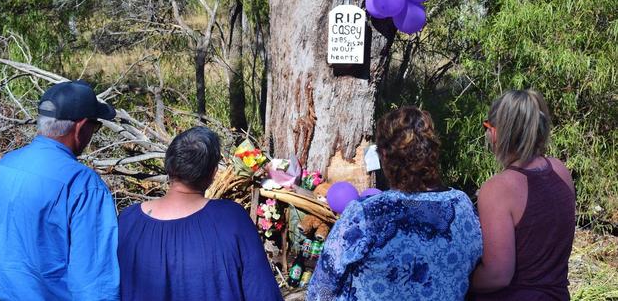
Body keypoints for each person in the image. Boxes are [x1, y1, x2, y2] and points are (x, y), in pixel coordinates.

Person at [307, 106, 482, 301]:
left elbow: (322, 287)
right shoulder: (461, 206)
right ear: (433, 150)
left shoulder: (367, 215)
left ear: (384, 155)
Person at [0, 80, 120, 300]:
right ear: (81, 126)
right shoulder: (83, 184)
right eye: (95, 126)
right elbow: (94, 283)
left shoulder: (3, 167)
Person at [117, 127, 283, 301]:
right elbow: (263, 293)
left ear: (168, 165)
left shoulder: (128, 221)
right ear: (212, 173)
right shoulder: (232, 220)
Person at [470, 89, 575, 300]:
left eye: (487, 127)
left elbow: (497, 276)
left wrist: (460, 280)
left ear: (497, 132)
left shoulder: (497, 189)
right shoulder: (560, 170)